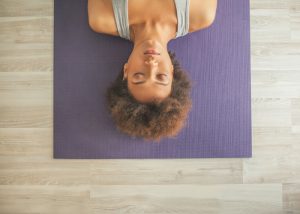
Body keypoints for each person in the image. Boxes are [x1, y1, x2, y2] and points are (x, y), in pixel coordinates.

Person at [87, 0, 217, 142]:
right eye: (161, 77)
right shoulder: (200, 14)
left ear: (126, 71)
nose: (151, 64)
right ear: (172, 73)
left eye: (139, 76)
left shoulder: (103, 17)